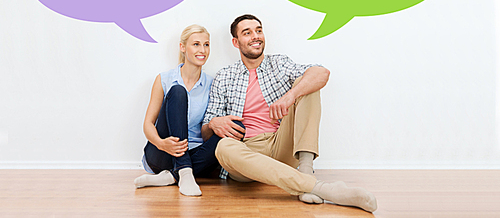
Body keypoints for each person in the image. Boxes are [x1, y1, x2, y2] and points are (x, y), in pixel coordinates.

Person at [201, 14, 377, 212]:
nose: (255, 36)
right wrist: (214, 123)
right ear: (236, 42)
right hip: (248, 152)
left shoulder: (279, 64)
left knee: (307, 84)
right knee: (223, 147)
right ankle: (318, 187)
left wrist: (290, 96)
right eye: (247, 33)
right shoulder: (224, 76)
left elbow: (321, 73)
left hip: (281, 143)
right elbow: (206, 131)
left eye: (259, 30)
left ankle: (305, 169)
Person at [134, 24, 226, 196]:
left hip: (194, 155)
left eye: (206, 44)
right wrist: (161, 144)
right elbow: (148, 124)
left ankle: (171, 176)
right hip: (162, 152)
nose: (203, 50)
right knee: (177, 91)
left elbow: (208, 131)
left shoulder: (212, 83)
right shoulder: (164, 79)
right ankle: (183, 171)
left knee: (228, 135)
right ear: (183, 47)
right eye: (196, 44)